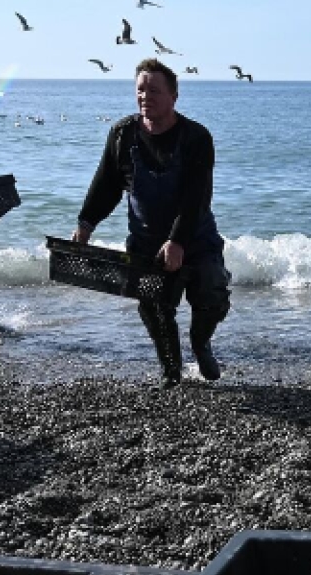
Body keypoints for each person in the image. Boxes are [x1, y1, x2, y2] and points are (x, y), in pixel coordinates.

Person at [73, 58, 231, 385]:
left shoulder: (197, 138)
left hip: (196, 236)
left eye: (154, 90)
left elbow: (197, 197)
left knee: (212, 296)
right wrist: (86, 223)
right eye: (140, 90)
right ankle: (171, 370)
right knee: (154, 308)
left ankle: (201, 343)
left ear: (174, 96)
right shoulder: (121, 134)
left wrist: (177, 241)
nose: (146, 96)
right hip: (145, 240)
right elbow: (105, 184)